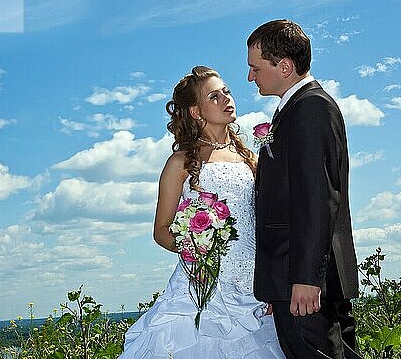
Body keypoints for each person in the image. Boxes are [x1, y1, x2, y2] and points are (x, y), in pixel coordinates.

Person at [120, 66, 286, 358]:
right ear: (196, 112)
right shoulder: (180, 162)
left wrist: (272, 283)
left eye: (226, 91)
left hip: (253, 287)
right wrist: (194, 247)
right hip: (202, 283)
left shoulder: (251, 160)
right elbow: (161, 231)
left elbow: (267, 224)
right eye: (214, 96)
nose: (226, 99)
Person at [247, 19, 362, 359]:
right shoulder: (295, 109)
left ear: (285, 67)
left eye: (256, 68)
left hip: (305, 280)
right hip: (294, 276)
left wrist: (305, 278)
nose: (250, 77)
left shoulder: (311, 108)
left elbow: (317, 198)